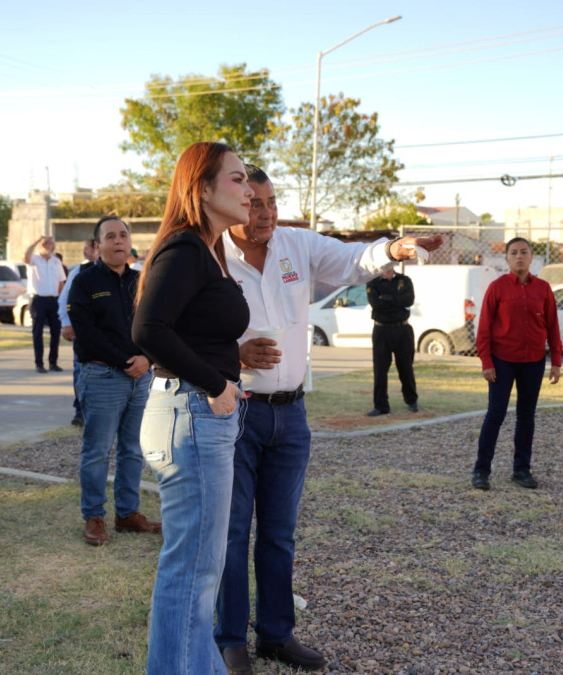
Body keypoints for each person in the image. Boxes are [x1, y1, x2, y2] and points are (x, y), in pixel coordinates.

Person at [214, 164, 443, 674]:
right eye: (253, 203)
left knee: (279, 532)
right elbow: (181, 331)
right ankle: (230, 639)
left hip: (291, 416)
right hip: (235, 413)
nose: (266, 213)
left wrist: (395, 249)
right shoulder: (210, 255)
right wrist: (234, 353)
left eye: (271, 202)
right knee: (231, 533)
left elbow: (352, 259)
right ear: (231, 205)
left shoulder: (296, 244)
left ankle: (276, 634)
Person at [132, 141, 251, 674]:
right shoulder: (184, 248)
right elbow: (148, 329)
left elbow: (185, 328)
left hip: (193, 414)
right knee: (193, 572)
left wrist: (231, 362)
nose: (249, 190)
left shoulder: (205, 250)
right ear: (201, 188)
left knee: (201, 569)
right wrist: (214, 382)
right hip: (192, 414)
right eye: (237, 179)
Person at [68, 216, 159, 546]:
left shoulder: (141, 281)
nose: (118, 241)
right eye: (110, 236)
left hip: (141, 378)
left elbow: (154, 325)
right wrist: (126, 361)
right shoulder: (85, 281)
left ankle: (127, 513)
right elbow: (87, 334)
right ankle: (94, 516)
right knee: (97, 451)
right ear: (97, 245)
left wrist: (148, 358)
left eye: (123, 235)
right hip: (103, 376)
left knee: (133, 449)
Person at [471, 237, 562, 492]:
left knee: (526, 417)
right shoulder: (497, 288)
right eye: (514, 253)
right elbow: (484, 328)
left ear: (532, 257)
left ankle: (521, 470)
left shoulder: (543, 289)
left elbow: (553, 326)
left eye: (524, 252)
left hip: (533, 362)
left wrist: (556, 361)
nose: (519, 257)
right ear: (507, 259)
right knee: (495, 415)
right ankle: (481, 471)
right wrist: (486, 362)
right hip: (502, 362)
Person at [365, 267, 418, 416]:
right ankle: (381, 405)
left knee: (406, 367)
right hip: (382, 330)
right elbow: (376, 304)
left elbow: (408, 300)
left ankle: (411, 400)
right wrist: (396, 301)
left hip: (402, 329)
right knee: (380, 370)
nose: (387, 267)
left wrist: (386, 298)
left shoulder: (404, 280)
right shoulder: (373, 283)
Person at [59, 237, 99, 426]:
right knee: (81, 372)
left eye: (87, 248)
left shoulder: (127, 273)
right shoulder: (80, 271)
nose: (84, 251)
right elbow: (64, 299)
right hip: (84, 334)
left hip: (115, 335)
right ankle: (81, 411)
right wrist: (67, 324)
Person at [22, 235, 66, 373]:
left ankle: (53, 362)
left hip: (53, 300)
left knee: (55, 332)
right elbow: (25, 255)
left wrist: (61, 300)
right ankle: (39, 363)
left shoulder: (56, 261)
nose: (48, 245)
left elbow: (61, 282)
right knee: (38, 332)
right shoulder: (34, 259)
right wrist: (36, 240)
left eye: (50, 243)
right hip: (38, 299)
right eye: (45, 243)